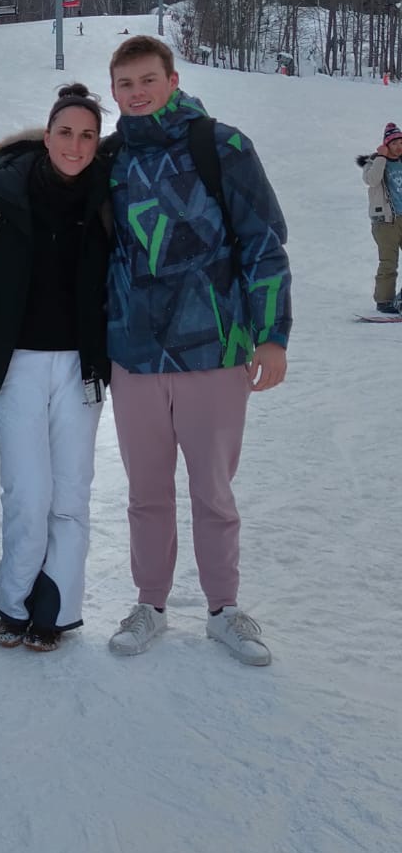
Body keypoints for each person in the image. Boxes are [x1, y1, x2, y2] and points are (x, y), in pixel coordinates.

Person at [102, 36, 291, 666]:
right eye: (125, 84)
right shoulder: (111, 158)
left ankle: (224, 610)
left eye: (147, 80)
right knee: (146, 490)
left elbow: (263, 243)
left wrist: (272, 334)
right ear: (113, 91)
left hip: (213, 348)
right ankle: (150, 604)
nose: (137, 93)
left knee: (212, 489)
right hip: (135, 354)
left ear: (173, 80)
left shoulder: (221, 146)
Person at [0, 84, 111, 652]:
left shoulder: (109, 193)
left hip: (82, 365)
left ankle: (55, 611)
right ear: (46, 137)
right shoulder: (7, 188)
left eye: (87, 135)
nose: (75, 145)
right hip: (19, 361)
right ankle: (15, 604)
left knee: (70, 493)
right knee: (27, 490)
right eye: (65, 132)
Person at [357, 122, 402, 312]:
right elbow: (372, 180)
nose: (399, 147)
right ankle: (384, 301)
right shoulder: (373, 163)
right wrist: (381, 157)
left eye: (401, 142)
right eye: (394, 143)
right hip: (385, 222)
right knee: (389, 262)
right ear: (386, 144)